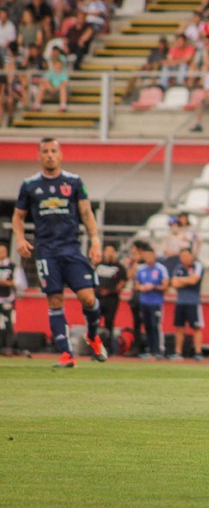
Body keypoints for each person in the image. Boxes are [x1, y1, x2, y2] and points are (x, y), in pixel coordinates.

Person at [12, 138, 107, 368]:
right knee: (55, 300)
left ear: (61, 154)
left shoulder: (73, 181)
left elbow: (86, 213)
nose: (50, 155)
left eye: (54, 151)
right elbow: (18, 216)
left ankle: (93, 336)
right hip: (46, 251)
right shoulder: (30, 185)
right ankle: (67, 354)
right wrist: (20, 238)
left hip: (71, 249)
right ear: (39, 155)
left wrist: (95, 241)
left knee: (88, 298)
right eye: (45, 151)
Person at [135, 244, 169, 359]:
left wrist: (153, 287)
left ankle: (159, 350)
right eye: (146, 256)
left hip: (156, 302)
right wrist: (142, 287)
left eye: (151, 256)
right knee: (147, 326)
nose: (149, 258)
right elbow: (136, 284)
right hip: (144, 301)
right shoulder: (141, 269)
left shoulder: (161, 269)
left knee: (156, 325)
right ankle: (150, 349)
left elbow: (165, 285)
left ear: (154, 256)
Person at [170, 248, 204, 361]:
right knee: (179, 327)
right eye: (182, 256)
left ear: (191, 256)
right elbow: (174, 283)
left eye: (186, 255)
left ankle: (198, 353)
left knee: (196, 327)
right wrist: (187, 280)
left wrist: (181, 280)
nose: (184, 258)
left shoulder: (197, 266)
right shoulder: (178, 267)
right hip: (180, 302)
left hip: (193, 302)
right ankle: (178, 352)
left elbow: (194, 280)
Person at [94, 245, 127, 346]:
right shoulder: (98, 265)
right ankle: (94, 346)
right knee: (95, 321)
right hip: (98, 297)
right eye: (107, 251)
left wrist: (109, 291)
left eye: (111, 251)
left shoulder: (120, 267)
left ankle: (108, 346)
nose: (109, 254)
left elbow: (122, 283)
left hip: (111, 299)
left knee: (109, 322)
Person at [0, 245, 17, 356]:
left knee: (8, 324)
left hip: (7, 299)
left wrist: (6, 283)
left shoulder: (12, 266)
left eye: (3, 251)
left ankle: (8, 347)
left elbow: (19, 283)